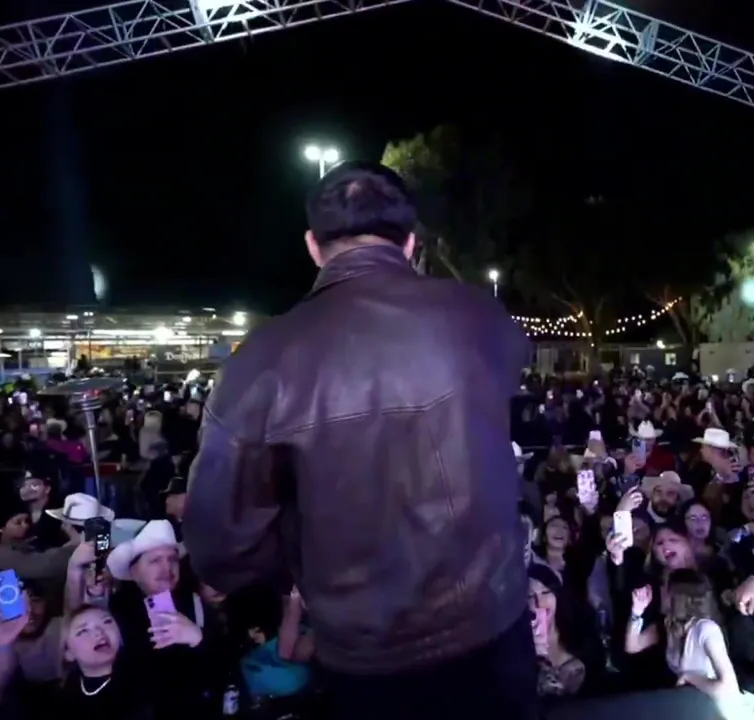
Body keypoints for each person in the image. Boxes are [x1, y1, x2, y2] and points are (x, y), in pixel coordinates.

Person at [184, 161, 535, 719]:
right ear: (411, 243)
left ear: (312, 245)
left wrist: (307, 559)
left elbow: (219, 549)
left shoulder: (259, 363)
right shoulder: (479, 317)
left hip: (366, 655)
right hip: (494, 627)